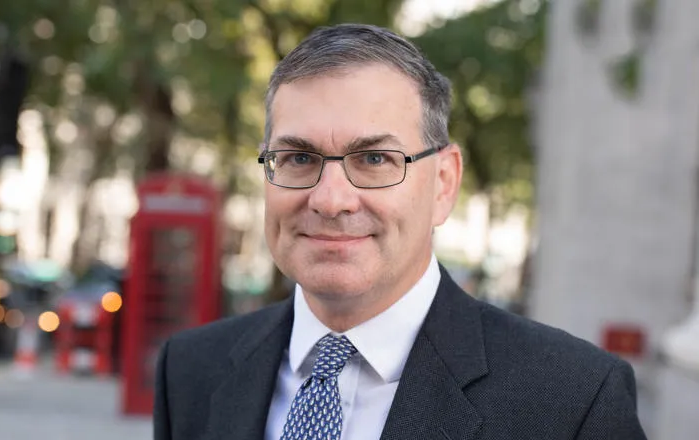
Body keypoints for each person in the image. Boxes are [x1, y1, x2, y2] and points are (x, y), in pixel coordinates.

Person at [153, 24, 647, 439]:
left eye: (373, 160)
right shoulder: (191, 370)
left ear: (444, 183)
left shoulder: (574, 401)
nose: (330, 199)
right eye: (299, 158)